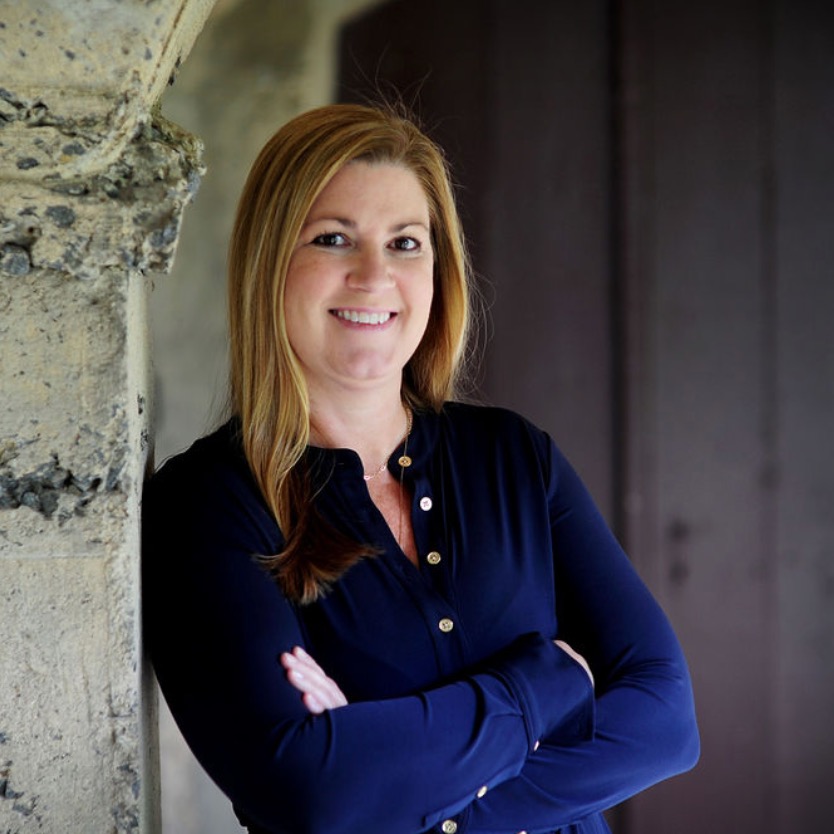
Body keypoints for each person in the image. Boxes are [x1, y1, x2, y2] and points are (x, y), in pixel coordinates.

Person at [142, 102, 699, 834]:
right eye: (333, 238)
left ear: (439, 272)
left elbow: (665, 721)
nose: (375, 276)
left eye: (405, 243)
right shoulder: (208, 505)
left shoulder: (514, 458)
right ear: (268, 264)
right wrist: (550, 681)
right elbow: (312, 793)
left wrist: (396, 786)